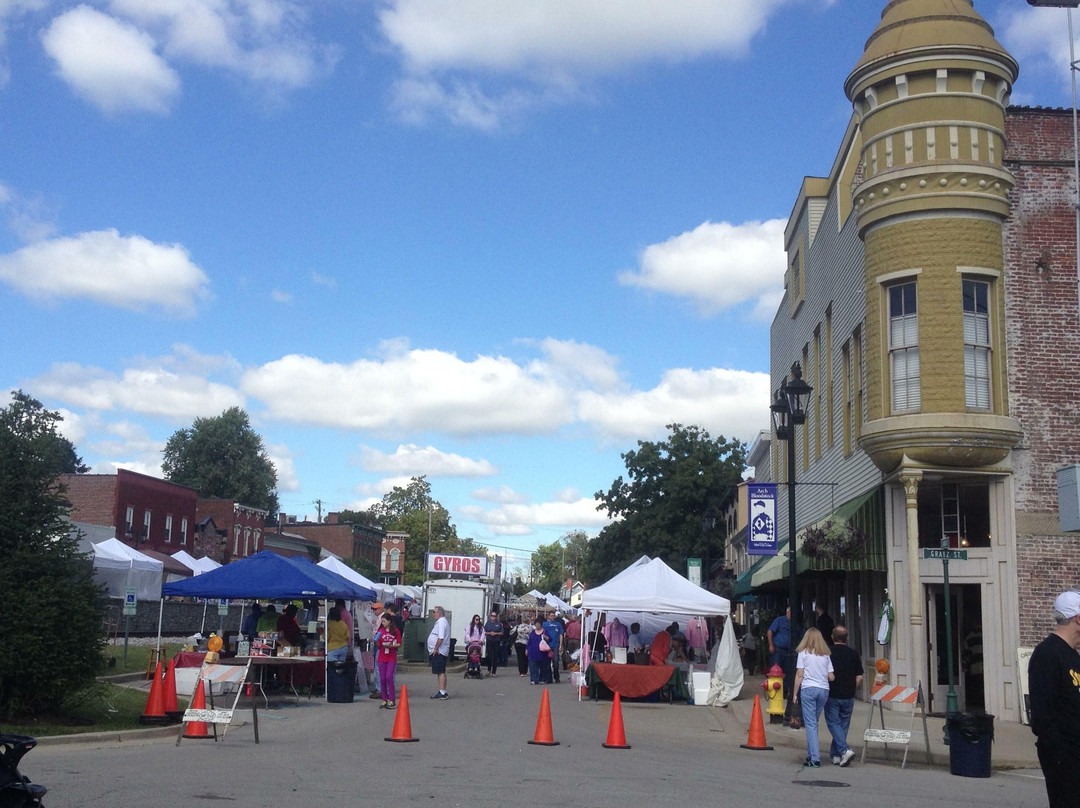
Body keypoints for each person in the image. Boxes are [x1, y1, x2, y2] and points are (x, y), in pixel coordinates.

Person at [1028, 590, 1080, 808]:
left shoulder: (1073, 656)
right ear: (1078, 619)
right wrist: (1061, 756)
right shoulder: (1047, 654)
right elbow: (1042, 715)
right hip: (1064, 758)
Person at [792, 627, 835, 768]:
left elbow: (799, 675)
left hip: (808, 688)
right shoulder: (826, 655)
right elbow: (831, 677)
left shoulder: (803, 653)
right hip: (823, 690)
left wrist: (795, 693)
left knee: (810, 724)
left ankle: (815, 758)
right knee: (814, 722)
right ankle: (810, 754)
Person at [825, 626, 862, 766]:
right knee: (843, 725)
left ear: (832, 637)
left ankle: (844, 750)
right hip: (848, 695)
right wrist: (852, 688)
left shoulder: (827, 653)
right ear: (847, 638)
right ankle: (836, 755)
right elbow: (859, 677)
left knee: (833, 723)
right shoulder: (853, 654)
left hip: (832, 694)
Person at [375, 612, 402, 709]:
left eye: (384, 621)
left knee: (389, 677)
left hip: (391, 657)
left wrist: (391, 646)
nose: (383, 623)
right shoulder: (381, 631)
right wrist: (376, 641)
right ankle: (384, 699)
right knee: (382, 678)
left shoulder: (395, 631)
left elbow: (399, 643)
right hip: (382, 656)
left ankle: (392, 699)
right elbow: (378, 644)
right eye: (382, 621)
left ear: (389, 621)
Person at [427, 606, 450, 700]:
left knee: (440, 671)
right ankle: (442, 690)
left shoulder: (441, 623)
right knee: (440, 671)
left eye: (434, 612)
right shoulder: (441, 622)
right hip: (439, 651)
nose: (433, 614)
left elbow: (440, 638)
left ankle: (443, 692)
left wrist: (435, 648)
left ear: (439, 613)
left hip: (439, 651)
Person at [527, 617, 552, 684]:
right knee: (533, 667)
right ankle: (534, 680)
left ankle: (542, 679)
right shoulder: (532, 632)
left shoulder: (545, 632)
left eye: (539, 624)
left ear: (541, 624)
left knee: (543, 667)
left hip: (543, 653)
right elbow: (529, 642)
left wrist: (546, 637)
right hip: (533, 652)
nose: (537, 625)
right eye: (536, 624)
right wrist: (527, 649)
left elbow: (550, 639)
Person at [542, 611, 565, 682]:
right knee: (547, 662)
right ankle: (549, 678)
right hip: (547, 646)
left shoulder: (558, 624)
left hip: (555, 645)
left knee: (556, 661)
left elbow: (561, 635)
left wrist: (560, 645)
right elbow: (542, 634)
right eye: (551, 616)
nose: (552, 617)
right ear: (548, 616)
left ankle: (556, 677)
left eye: (553, 616)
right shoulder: (545, 624)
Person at [483, 610, 503, 676]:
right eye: (492, 616)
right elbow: (484, 632)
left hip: (496, 641)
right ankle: (489, 670)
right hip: (489, 641)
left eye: (494, 616)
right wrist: (490, 633)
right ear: (490, 616)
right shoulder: (488, 623)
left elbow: (502, 632)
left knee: (495, 656)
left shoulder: (499, 624)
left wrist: (496, 633)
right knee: (489, 656)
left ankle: (494, 672)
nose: (493, 617)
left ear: (496, 617)